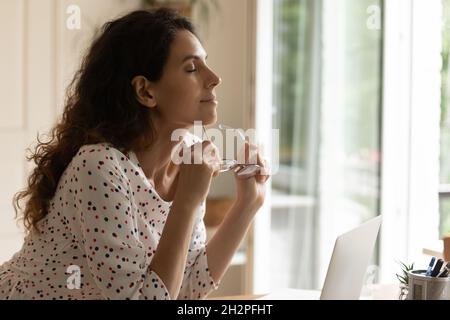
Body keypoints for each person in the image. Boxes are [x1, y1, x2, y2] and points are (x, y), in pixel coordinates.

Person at [0, 8, 269, 300]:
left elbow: (185, 289)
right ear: (145, 91)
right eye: (192, 68)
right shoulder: (99, 166)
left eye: (206, 64)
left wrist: (247, 206)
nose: (214, 78)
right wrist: (187, 202)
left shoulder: (187, 159)